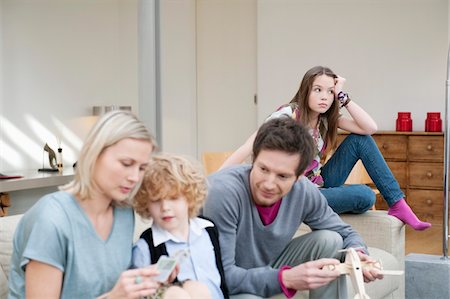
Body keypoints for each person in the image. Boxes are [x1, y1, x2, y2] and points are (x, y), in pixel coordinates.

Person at [220, 65, 431, 231]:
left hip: (318, 183)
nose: (324, 96)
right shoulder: (288, 114)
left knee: (361, 141)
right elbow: (249, 146)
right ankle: (390, 204)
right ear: (306, 91)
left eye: (330, 92)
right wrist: (216, 181)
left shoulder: (326, 120)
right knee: (365, 196)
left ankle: (398, 205)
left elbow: (370, 128)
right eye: (318, 90)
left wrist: (343, 96)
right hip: (294, 191)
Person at [203, 117, 383, 298]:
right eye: (263, 169)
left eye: (282, 176)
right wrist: (286, 278)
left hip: (266, 265)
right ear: (253, 159)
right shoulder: (222, 193)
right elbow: (222, 276)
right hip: (222, 280)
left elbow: (345, 233)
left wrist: (358, 256)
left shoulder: (303, 190)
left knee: (331, 240)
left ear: (299, 176)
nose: (269, 184)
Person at [8, 111, 179, 299]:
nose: (134, 177)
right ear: (94, 154)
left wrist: (143, 279)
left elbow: (103, 282)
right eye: (126, 163)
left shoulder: (124, 212)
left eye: (141, 168)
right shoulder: (51, 220)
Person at [132, 153, 229, 299]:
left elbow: (220, 278)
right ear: (146, 203)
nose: (165, 207)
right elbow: (139, 291)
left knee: (200, 291)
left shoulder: (208, 230)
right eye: (156, 200)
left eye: (173, 198)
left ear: (190, 197)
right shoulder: (145, 247)